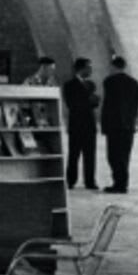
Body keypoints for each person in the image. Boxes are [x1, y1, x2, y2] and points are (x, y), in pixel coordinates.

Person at [100, 55, 138, 193]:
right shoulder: (135, 83)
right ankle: (123, 183)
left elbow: (107, 105)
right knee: (125, 155)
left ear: (113, 67)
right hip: (128, 126)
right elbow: (136, 105)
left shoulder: (109, 81)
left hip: (114, 126)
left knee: (113, 156)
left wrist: (103, 124)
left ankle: (119, 184)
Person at [61, 57, 100, 190]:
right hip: (76, 125)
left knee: (90, 154)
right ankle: (71, 180)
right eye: (88, 67)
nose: (91, 70)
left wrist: (89, 101)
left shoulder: (90, 84)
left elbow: (94, 102)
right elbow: (72, 104)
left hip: (90, 124)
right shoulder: (69, 85)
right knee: (74, 154)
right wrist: (88, 100)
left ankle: (90, 181)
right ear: (81, 69)